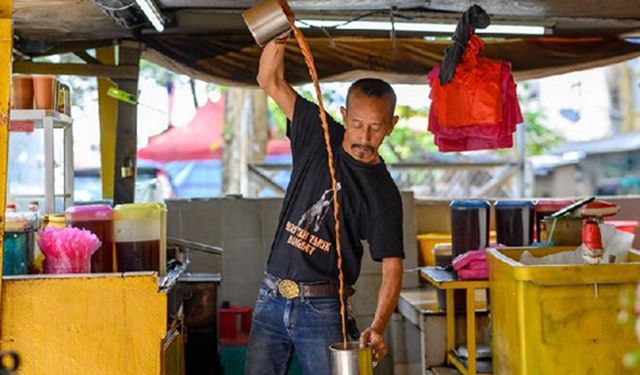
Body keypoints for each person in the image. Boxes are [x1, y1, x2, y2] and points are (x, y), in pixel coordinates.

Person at [245, 32, 404, 375]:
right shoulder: (318, 133)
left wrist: (377, 326)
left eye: (375, 128)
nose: (364, 137)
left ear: (392, 125)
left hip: (323, 309)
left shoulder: (383, 193)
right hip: (270, 297)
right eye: (358, 124)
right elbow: (269, 80)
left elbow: (392, 267)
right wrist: (277, 36)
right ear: (344, 115)